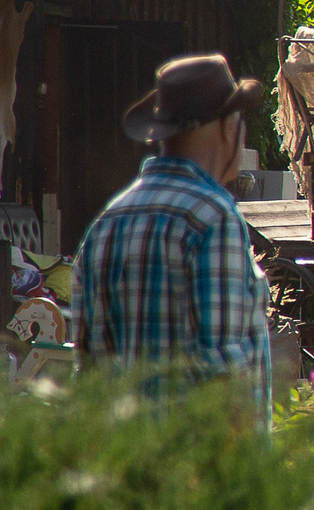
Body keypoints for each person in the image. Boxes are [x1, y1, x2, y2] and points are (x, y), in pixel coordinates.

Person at [72, 54, 274, 419]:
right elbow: (224, 384)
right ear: (230, 127)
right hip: (198, 470)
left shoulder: (105, 225)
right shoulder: (212, 218)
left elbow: (89, 377)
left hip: (120, 469)